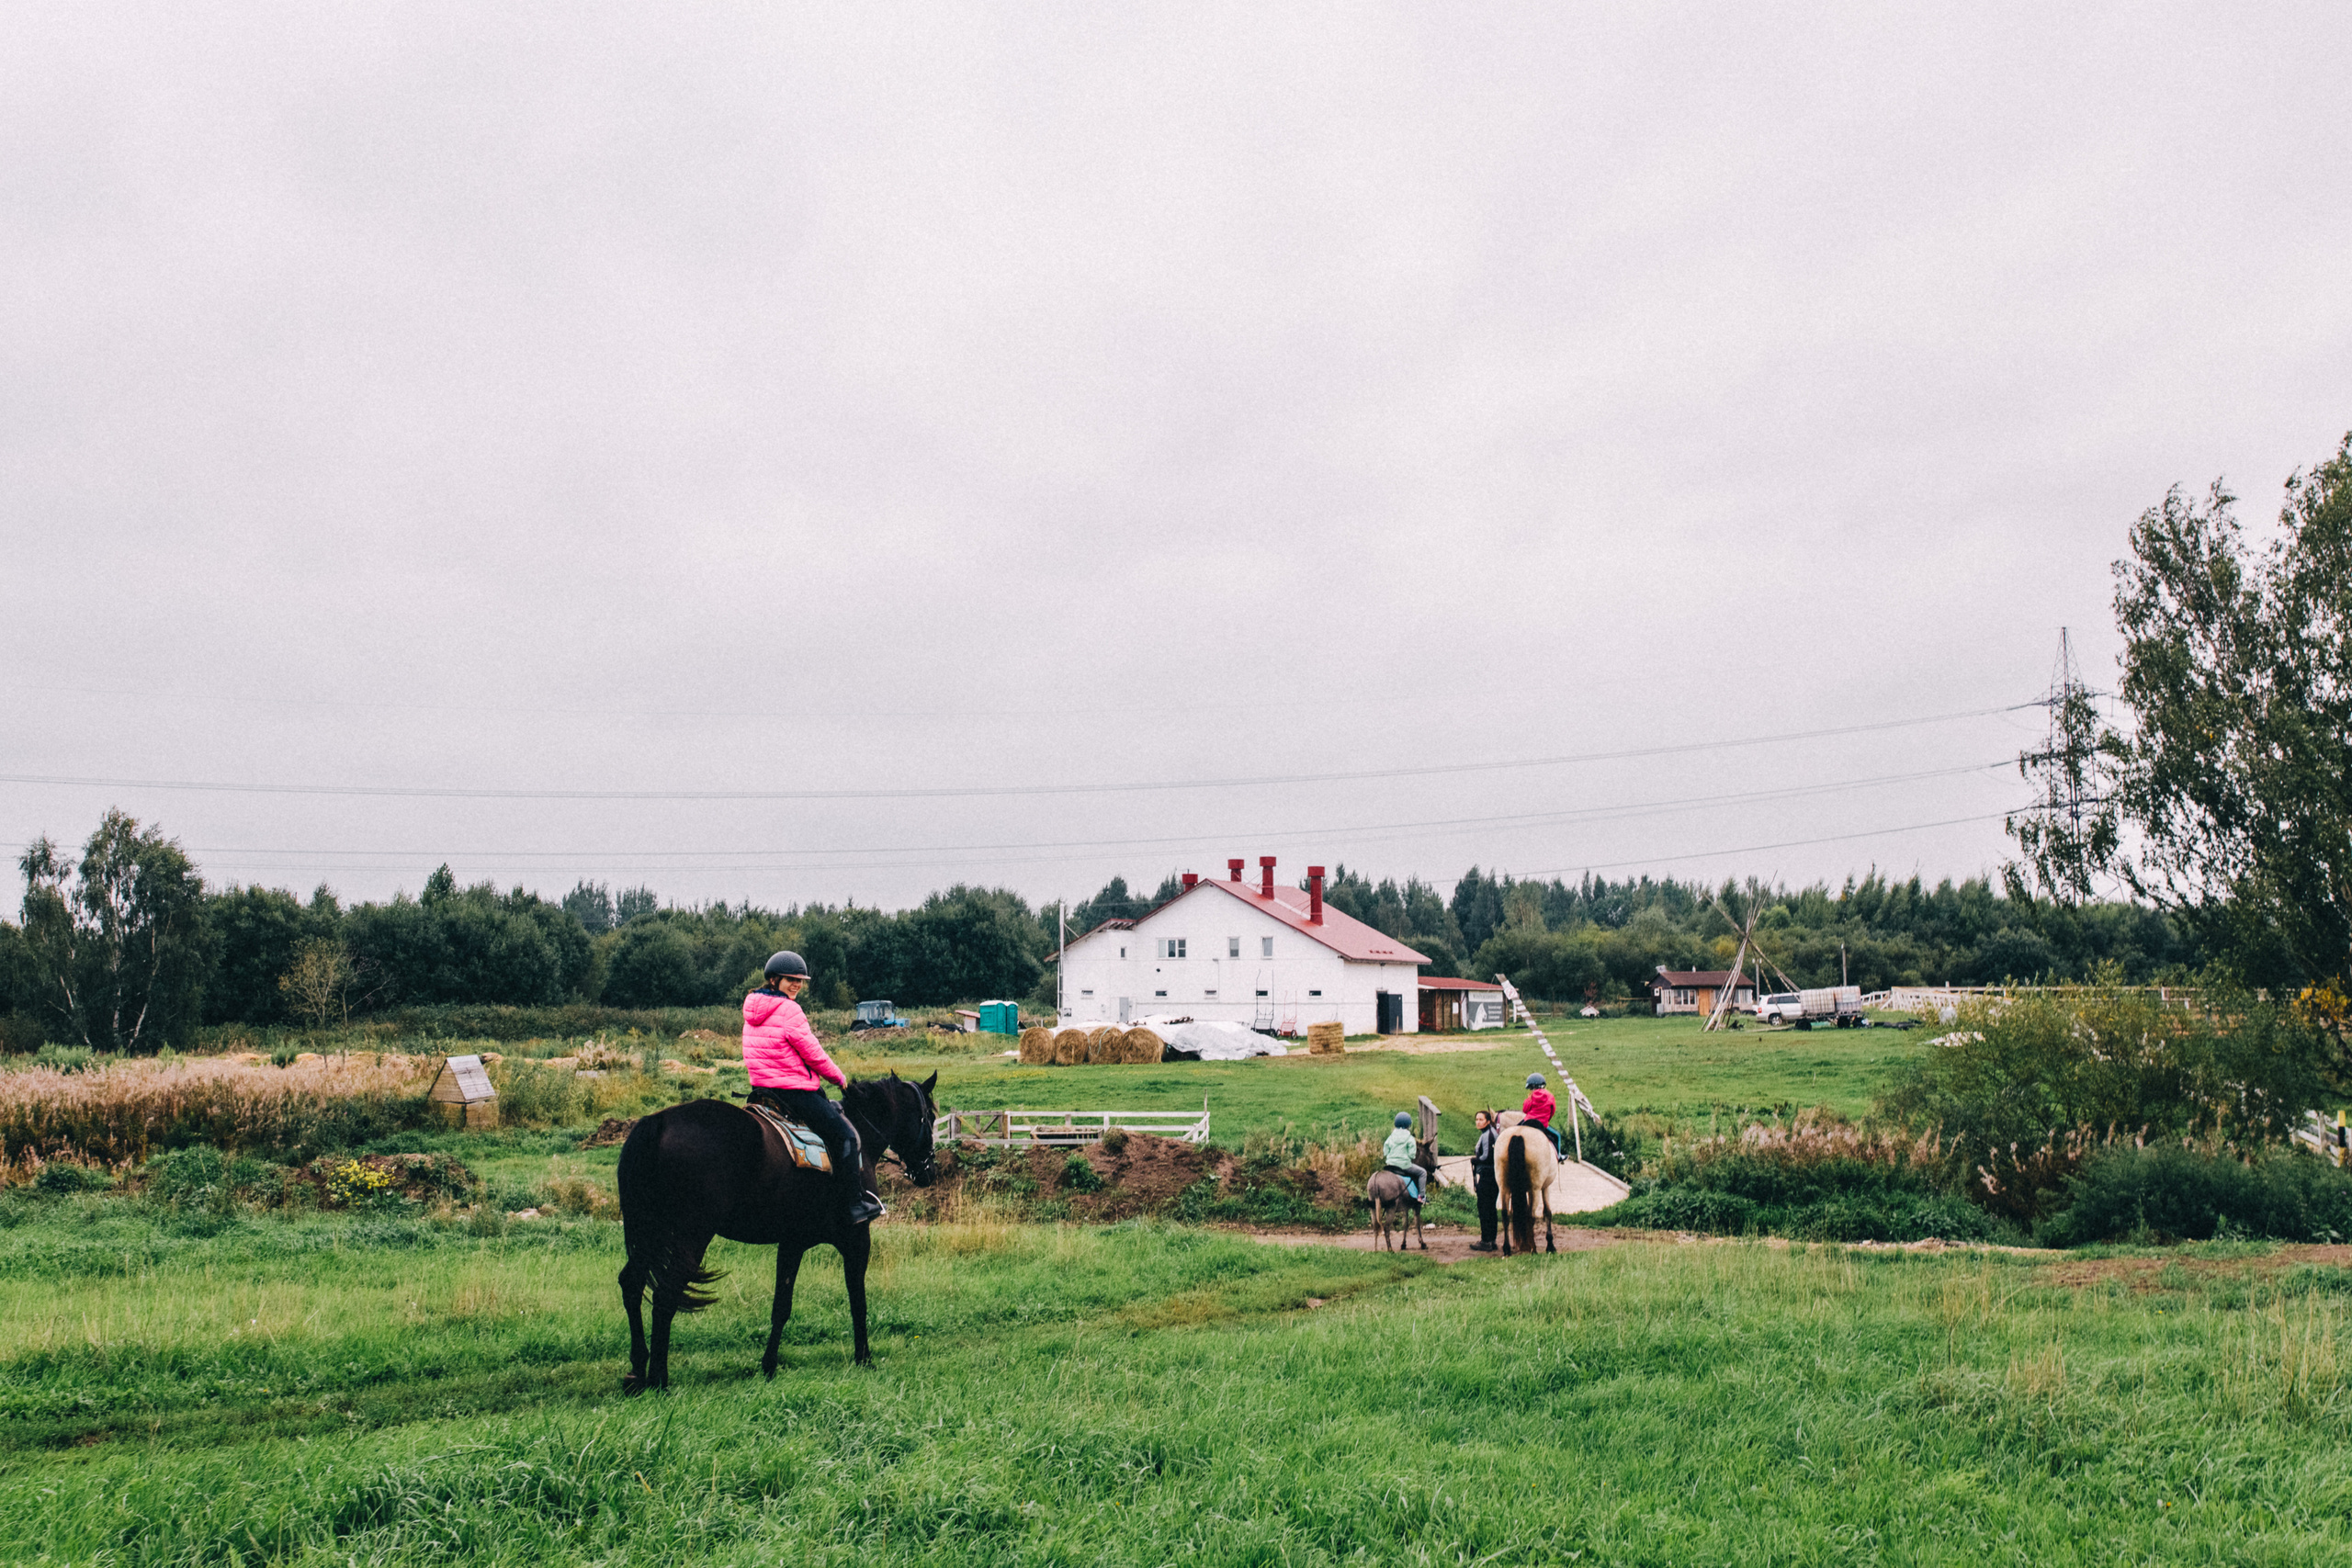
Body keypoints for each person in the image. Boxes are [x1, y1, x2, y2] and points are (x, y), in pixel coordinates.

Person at [743, 951, 885, 1225]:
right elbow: (812, 1052)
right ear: (774, 980)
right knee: (847, 1136)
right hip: (793, 1091)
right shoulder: (788, 1009)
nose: (796, 985)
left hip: (762, 1090)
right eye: (790, 980)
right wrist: (838, 1078)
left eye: (799, 980)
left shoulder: (753, 1008)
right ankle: (853, 1205)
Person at [1468, 1110, 1501, 1250]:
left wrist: (1475, 1160)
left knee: (1484, 1207)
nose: (1478, 1122)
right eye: (1477, 1119)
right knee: (1490, 1208)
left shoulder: (1488, 1135)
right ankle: (1491, 1240)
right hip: (1492, 1176)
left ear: (1488, 1121)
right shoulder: (1490, 1133)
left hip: (1488, 1175)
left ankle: (1485, 1241)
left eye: (1481, 1119)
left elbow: (1487, 1157)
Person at [1382, 1111, 1428, 1203]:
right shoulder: (1410, 1138)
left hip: (1390, 1164)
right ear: (1408, 1125)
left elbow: (1385, 1151)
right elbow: (1412, 1155)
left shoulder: (1391, 1137)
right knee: (1423, 1173)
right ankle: (1421, 1196)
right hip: (1404, 1165)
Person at [1521, 1073, 1566, 1159]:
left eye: (1530, 1088)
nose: (1530, 1090)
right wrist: (1546, 1120)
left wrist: (1528, 1099)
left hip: (1528, 1122)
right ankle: (1559, 1155)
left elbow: (1525, 1109)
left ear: (1533, 1086)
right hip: (1542, 1124)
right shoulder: (1550, 1096)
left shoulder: (1531, 1096)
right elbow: (1552, 1111)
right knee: (1557, 1136)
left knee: (1513, 1130)